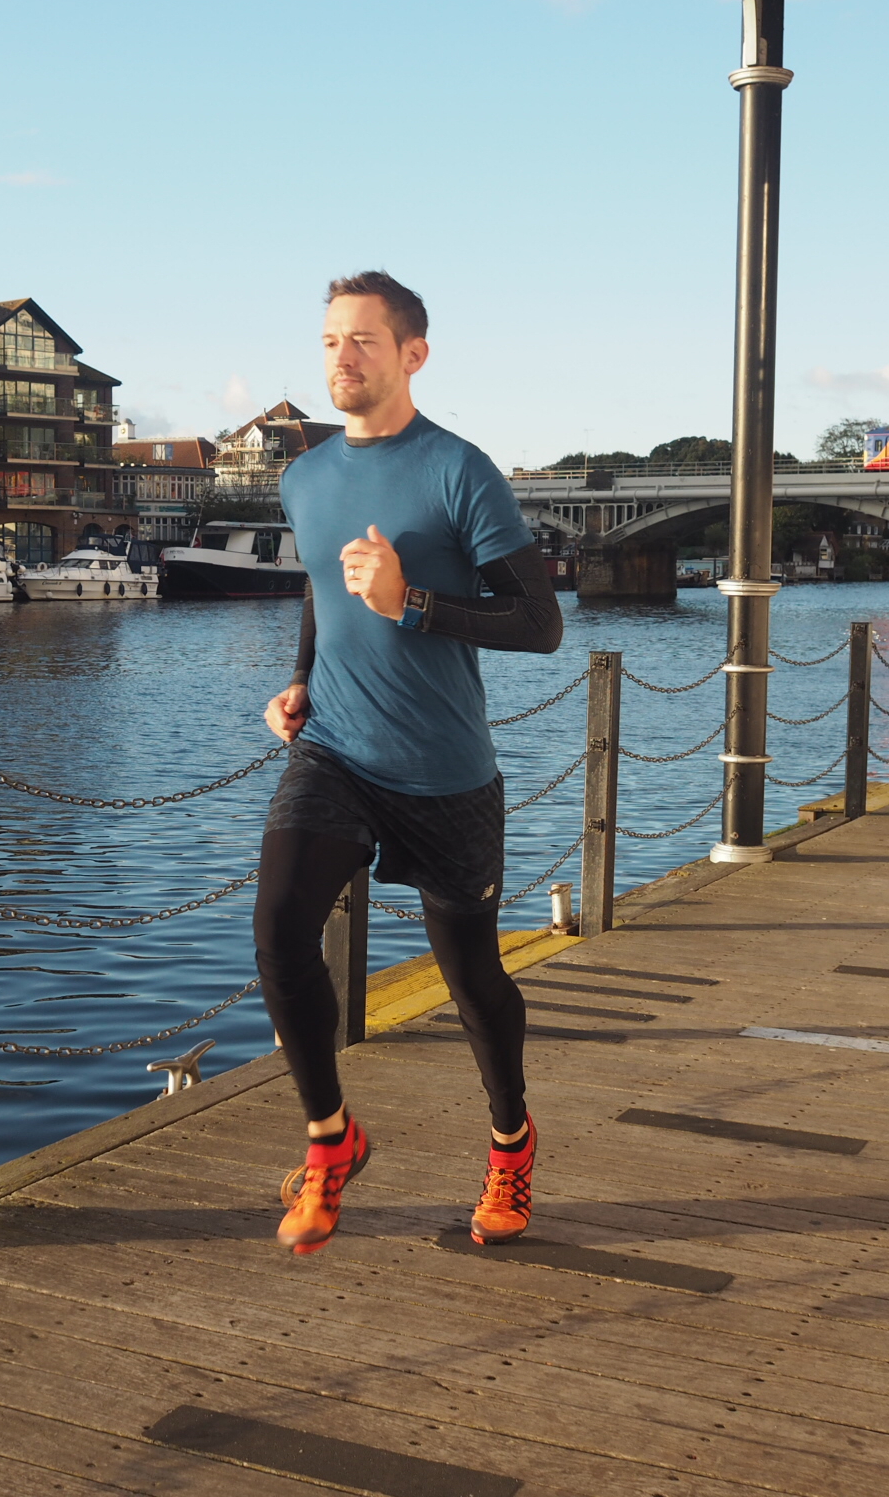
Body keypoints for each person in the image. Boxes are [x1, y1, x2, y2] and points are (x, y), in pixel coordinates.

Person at [257, 271, 562, 1256]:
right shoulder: (302, 480)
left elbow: (539, 623)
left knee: (472, 981)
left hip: (443, 771)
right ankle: (328, 1139)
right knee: (276, 931)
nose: (340, 358)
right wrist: (301, 678)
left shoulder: (459, 472)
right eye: (329, 341)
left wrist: (413, 605)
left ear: (411, 355)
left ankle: (509, 1146)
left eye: (363, 342)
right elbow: (319, 589)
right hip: (337, 749)